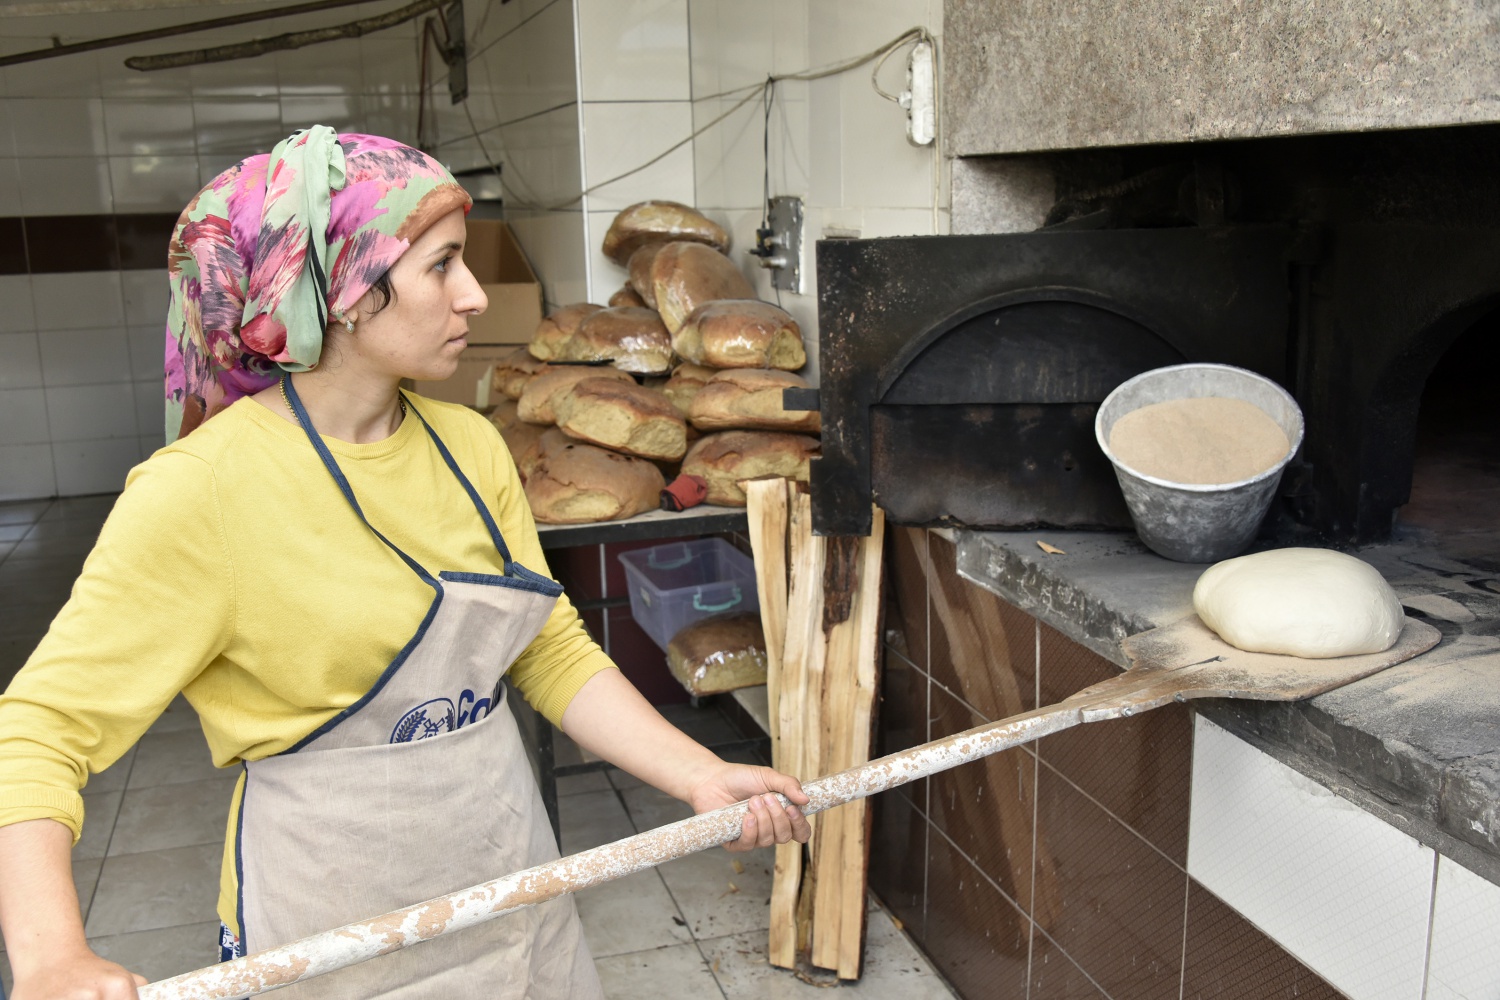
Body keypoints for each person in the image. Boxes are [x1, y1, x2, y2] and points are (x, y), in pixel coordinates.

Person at [0, 128, 811, 1000]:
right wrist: (52, 957)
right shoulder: (201, 491)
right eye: (441, 265)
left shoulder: (470, 445)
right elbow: (39, 734)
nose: (472, 296)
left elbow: (548, 648)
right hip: (333, 923)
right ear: (340, 289)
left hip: (512, 884)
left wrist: (696, 771)